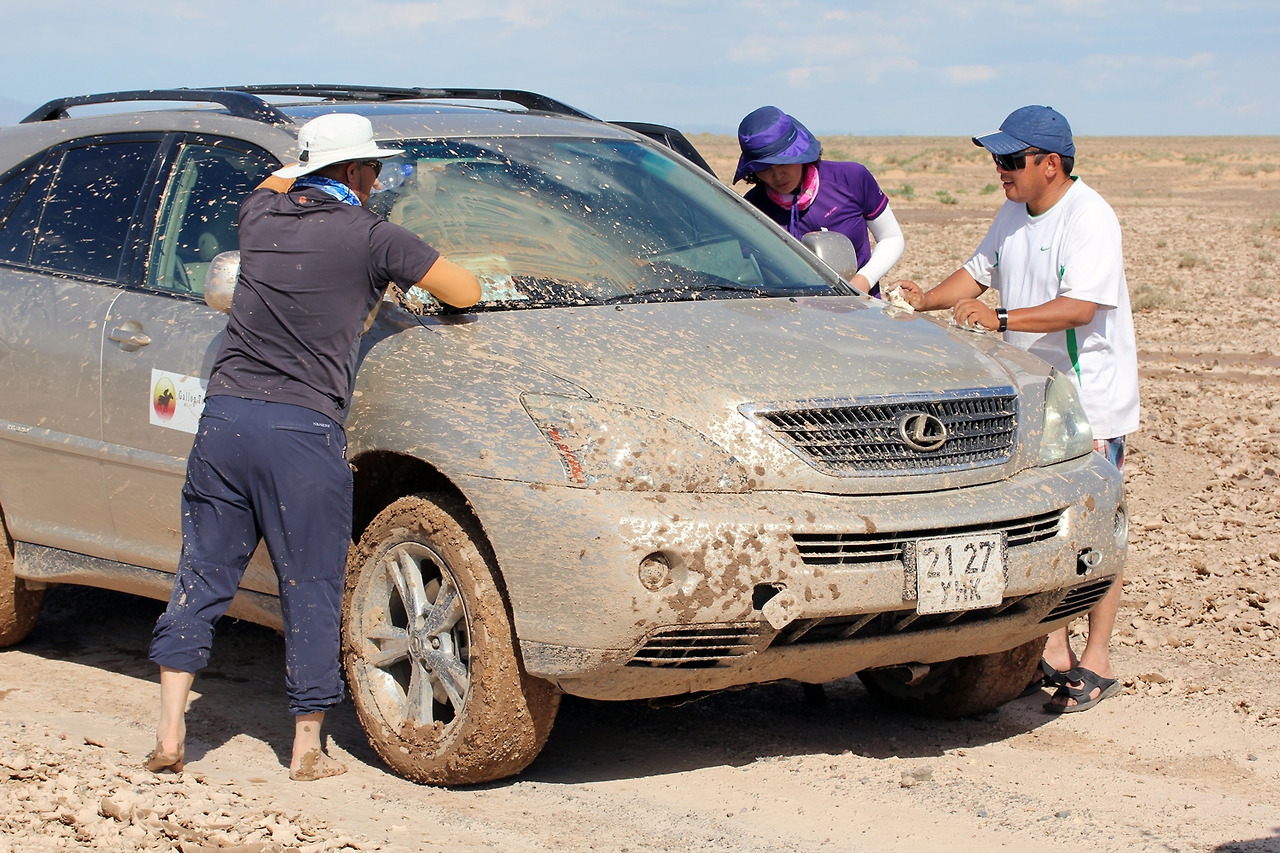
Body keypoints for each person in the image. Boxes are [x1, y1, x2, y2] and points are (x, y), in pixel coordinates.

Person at [145, 113, 481, 780]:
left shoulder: (259, 217)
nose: (379, 181)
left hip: (226, 422)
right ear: (355, 173)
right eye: (373, 170)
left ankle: (169, 733)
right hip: (301, 431)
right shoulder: (373, 236)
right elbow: (465, 290)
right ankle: (306, 747)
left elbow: (273, 183)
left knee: (201, 576)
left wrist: (300, 163)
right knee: (311, 583)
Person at [894, 105, 1139, 714]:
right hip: (1036, 401)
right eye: (996, 159)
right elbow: (977, 276)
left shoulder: (1090, 217)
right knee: (1039, 522)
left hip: (1091, 402)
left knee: (1093, 528)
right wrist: (924, 299)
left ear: (1049, 165)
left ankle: (1097, 659)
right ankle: (1051, 651)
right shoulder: (1012, 213)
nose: (999, 170)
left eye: (1010, 160)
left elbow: (1080, 308)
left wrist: (1000, 320)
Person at [734, 105, 904, 295]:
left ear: (799, 152)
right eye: (764, 168)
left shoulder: (851, 178)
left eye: (783, 162)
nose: (778, 175)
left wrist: (864, 280)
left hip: (860, 310)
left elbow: (891, 237)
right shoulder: (753, 208)